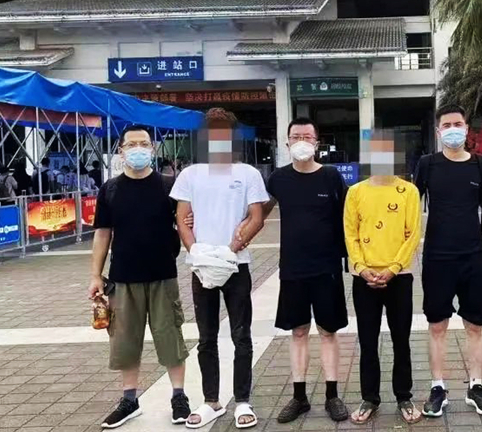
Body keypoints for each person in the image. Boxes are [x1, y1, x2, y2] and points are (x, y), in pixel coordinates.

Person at [414, 104, 482, 418]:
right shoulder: (427, 164)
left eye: (457, 124)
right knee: (437, 325)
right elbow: (412, 202)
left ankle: (476, 386)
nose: (453, 129)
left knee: (475, 323)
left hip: (472, 255)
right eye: (446, 125)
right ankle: (437, 388)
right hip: (437, 257)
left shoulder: (479, 164)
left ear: (467, 128)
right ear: (438, 131)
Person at [172, 108, 269, 429]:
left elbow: (257, 217)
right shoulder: (190, 174)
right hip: (202, 268)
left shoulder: (248, 174)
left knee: (242, 336)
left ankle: (242, 401)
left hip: (236, 265)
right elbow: (182, 219)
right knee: (206, 337)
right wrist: (197, 252)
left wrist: (232, 249)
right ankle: (211, 400)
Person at [88, 124, 190, 428]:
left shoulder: (169, 186)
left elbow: (185, 223)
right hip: (123, 278)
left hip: (163, 276)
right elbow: (102, 234)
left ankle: (179, 397)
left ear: (153, 149)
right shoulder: (110, 189)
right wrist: (95, 275)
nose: (138, 150)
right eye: (131, 145)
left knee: (170, 338)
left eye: (143, 144)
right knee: (125, 341)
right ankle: (129, 400)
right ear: (121, 151)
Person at [261, 117, 350, 424]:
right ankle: (299, 397)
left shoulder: (331, 177)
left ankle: (332, 395)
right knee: (298, 332)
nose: (301, 141)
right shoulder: (278, 179)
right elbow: (257, 211)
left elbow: (352, 215)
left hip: (327, 268)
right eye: (296, 136)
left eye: (307, 136)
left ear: (316, 142)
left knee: (328, 331)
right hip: (293, 269)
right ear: (287, 143)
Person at [343, 130, 423, 425]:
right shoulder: (355, 192)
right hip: (363, 278)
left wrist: (393, 268)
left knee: (402, 340)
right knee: (368, 341)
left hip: (399, 277)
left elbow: (413, 234)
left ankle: (404, 396)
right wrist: (361, 267)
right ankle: (369, 398)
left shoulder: (409, 191)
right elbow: (350, 234)